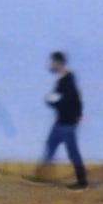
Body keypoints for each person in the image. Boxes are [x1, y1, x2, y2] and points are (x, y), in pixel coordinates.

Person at [29, 51, 88, 191]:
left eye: (52, 62)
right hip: (61, 122)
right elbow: (76, 99)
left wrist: (51, 102)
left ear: (58, 63)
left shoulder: (66, 81)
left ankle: (82, 181)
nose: (50, 64)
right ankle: (41, 176)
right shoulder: (64, 80)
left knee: (72, 151)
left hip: (67, 123)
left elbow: (66, 101)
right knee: (50, 145)